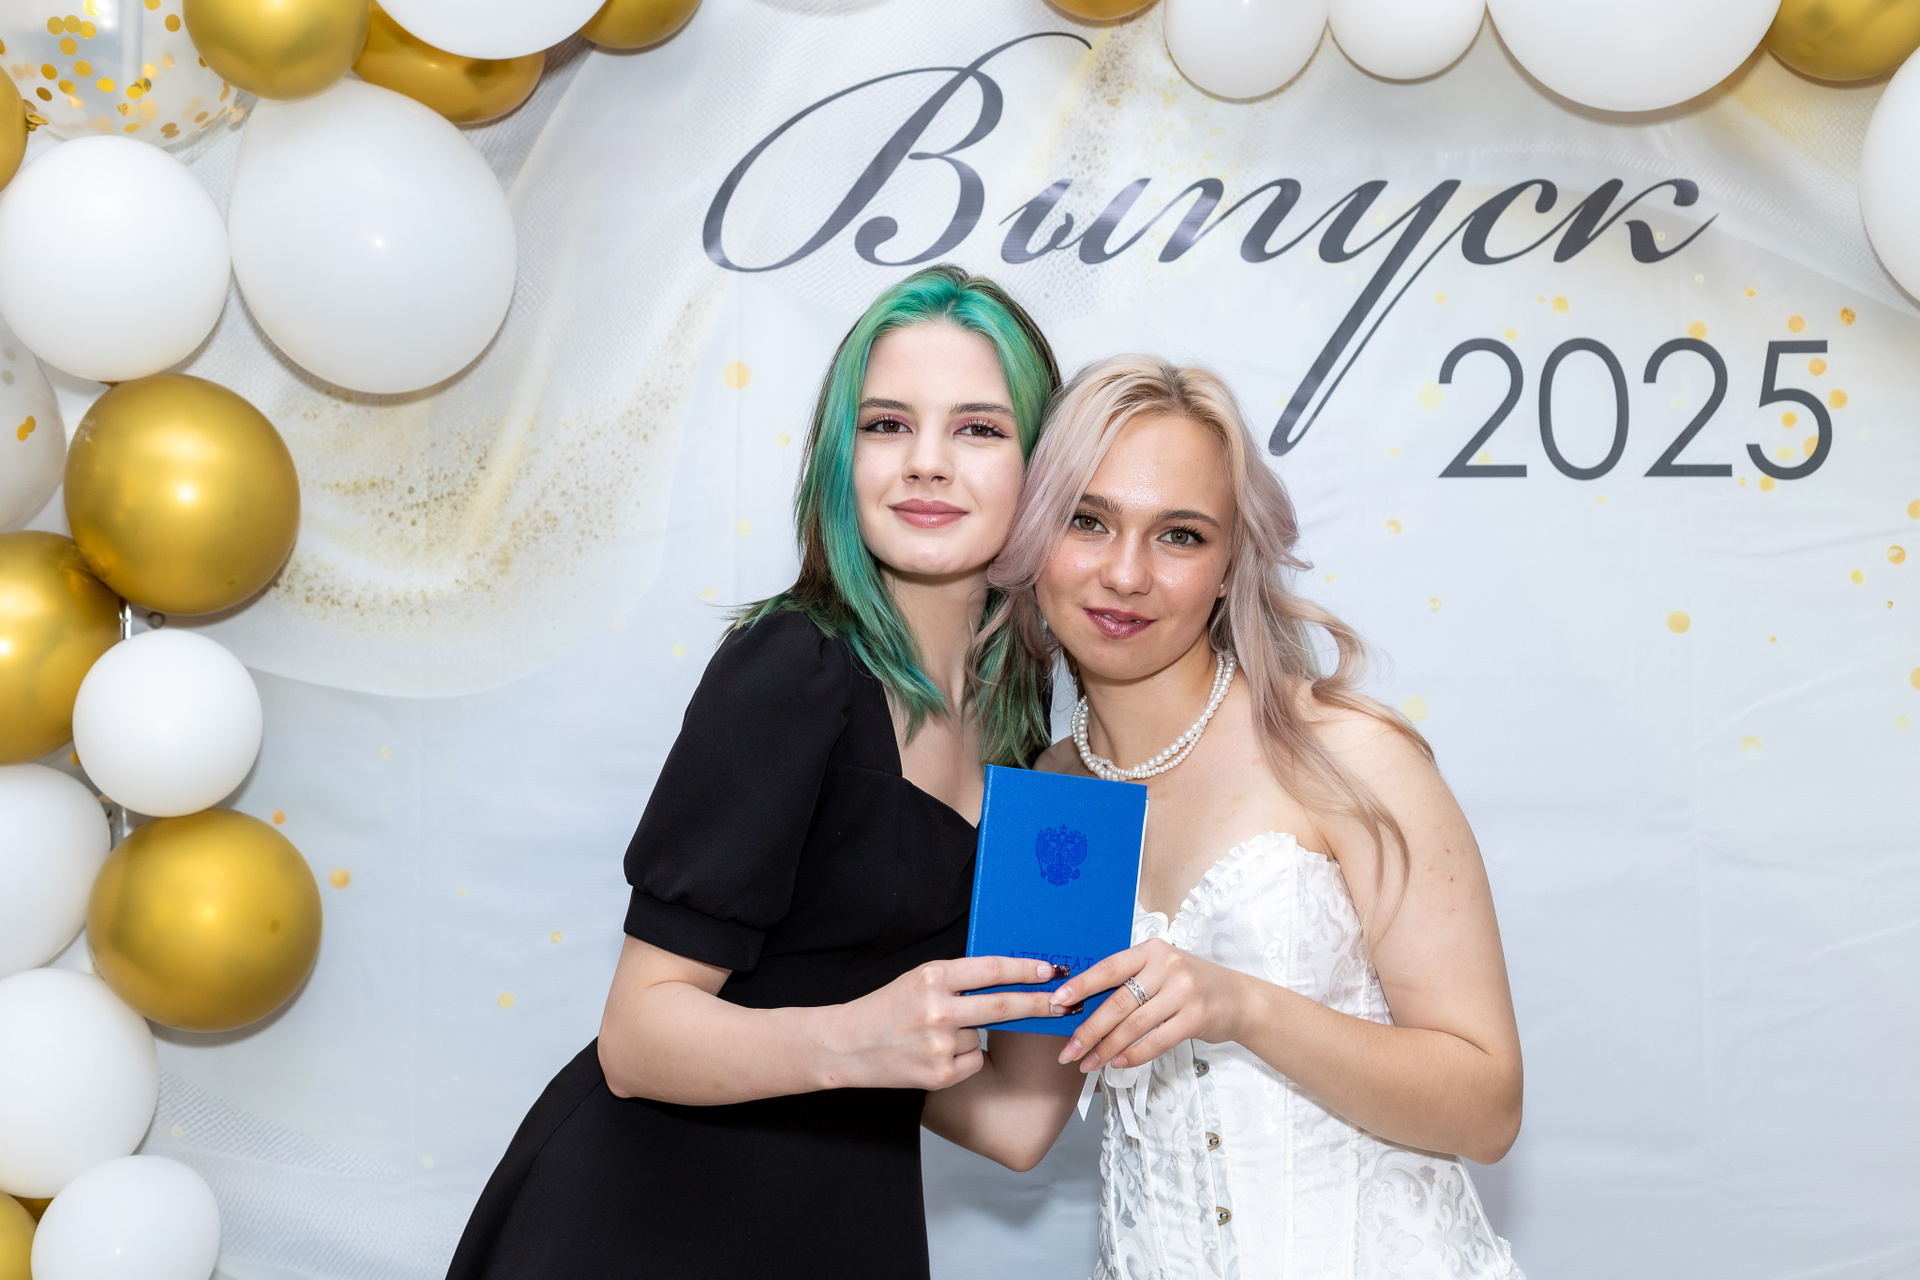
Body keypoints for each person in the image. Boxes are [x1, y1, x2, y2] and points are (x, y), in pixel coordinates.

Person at [444, 265, 1074, 1280]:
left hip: (837, 1225)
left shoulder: (1034, 741)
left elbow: (1014, 1121)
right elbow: (636, 1038)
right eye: (886, 424)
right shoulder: (792, 667)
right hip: (643, 1224)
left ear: (1044, 469)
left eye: (978, 429)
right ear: (840, 457)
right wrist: (860, 1039)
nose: (926, 462)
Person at [973, 355, 1526, 1278]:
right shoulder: (1050, 800)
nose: (1125, 573)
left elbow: (1489, 1109)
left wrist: (1243, 1006)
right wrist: (825, 1044)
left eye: (1179, 535)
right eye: (1087, 520)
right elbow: (1019, 1119)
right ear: (1034, 535)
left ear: (1230, 565)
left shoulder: (1343, 752)